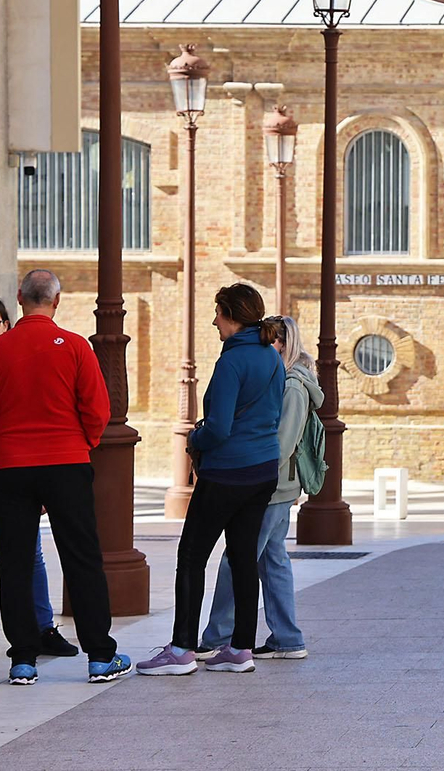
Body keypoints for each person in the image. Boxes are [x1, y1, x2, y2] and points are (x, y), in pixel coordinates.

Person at [0, 269, 133, 686]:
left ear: (20, 298)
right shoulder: (74, 346)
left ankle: (22, 660)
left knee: (14, 562)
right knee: (81, 558)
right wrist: (81, 443)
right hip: (67, 462)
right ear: (56, 301)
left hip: (11, 465)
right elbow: (97, 410)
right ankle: (99, 657)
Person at [139, 284, 283, 676]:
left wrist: (193, 438)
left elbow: (218, 428)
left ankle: (182, 649)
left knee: (191, 557)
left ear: (233, 316)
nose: (214, 321)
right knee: (242, 558)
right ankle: (241, 648)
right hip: (263, 469)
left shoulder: (231, 362)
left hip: (227, 473)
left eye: (218, 313)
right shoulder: (272, 356)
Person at [197, 314, 320, 660]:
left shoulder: (293, 385)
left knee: (237, 558)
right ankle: (287, 637)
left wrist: (258, 477)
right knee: (272, 560)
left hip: (272, 486)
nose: (264, 345)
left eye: (270, 339)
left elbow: (282, 441)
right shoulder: (279, 378)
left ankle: (217, 636)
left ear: (282, 343)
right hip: (274, 485)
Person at [0, 297, 78, 660]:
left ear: (8, 324)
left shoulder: (20, 359)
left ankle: (44, 627)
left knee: (31, 556)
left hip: (16, 470)